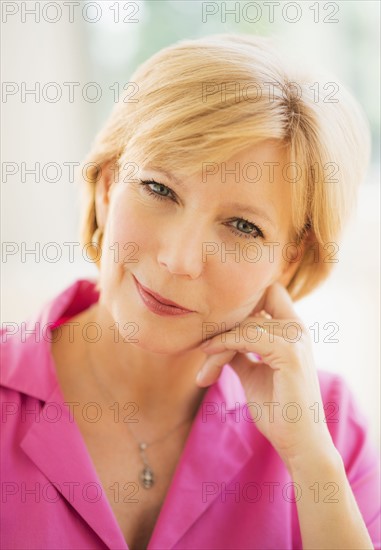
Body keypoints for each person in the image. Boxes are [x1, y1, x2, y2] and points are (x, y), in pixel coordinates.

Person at [1, 33, 380, 550]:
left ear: (289, 258)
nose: (178, 260)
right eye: (159, 189)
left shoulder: (329, 430)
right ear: (110, 186)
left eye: (243, 227)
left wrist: (311, 464)